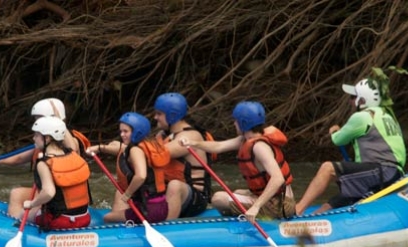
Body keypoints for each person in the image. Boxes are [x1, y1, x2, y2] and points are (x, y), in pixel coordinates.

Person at [294, 76, 406, 215]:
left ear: (362, 100)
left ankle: (298, 209)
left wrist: (335, 131)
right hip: (394, 173)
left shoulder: (362, 117)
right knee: (340, 197)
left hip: (382, 172)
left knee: (327, 168)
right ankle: (317, 214)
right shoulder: (388, 117)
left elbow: (338, 140)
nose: (350, 101)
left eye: (353, 97)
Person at [182, 101, 295, 223]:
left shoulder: (259, 147)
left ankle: (249, 218)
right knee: (237, 192)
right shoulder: (245, 140)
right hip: (276, 200)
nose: (234, 123)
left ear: (244, 123)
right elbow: (219, 146)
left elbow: (278, 178)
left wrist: (255, 207)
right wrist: (193, 143)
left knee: (218, 199)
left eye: (236, 121)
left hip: (280, 205)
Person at [0, 98, 91, 216]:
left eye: (40, 119)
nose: (36, 123)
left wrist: (32, 204)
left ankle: (16, 224)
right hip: (55, 196)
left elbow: (73, 149)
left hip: (61, 199)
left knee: (24, 211)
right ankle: (13, 221)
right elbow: (19, 159)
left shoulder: (69, 143)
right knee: (16, 193)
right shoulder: (44, 144)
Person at [88, 112, 170, 224]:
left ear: (137, 131)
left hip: (147, 209)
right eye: (121, 131)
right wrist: (100, 148)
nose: (122, 135)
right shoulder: (151, 144)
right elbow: (121, 149)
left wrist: (127, 194)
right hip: (162, 206)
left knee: (108, 218)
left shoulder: (135, 150)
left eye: (126, 131)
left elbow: (141, 176)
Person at [13, 116, 92, 230]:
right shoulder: (74, 155)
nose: (34, 138)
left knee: (23, 213)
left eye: (36, 135)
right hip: (84, 219)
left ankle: (13, 231)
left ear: (47, 138)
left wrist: (31, 204)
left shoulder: (44, 163)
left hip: (59, 222)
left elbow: (49, 192)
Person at [153, 92, 214, 220]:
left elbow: (159, 154)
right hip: (166, 193)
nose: (155, 117)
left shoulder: (190, 136)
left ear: (172, 115)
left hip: (194, 198)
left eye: (159, 114)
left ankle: (168, 227)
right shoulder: (162, 135)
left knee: (174, 185)